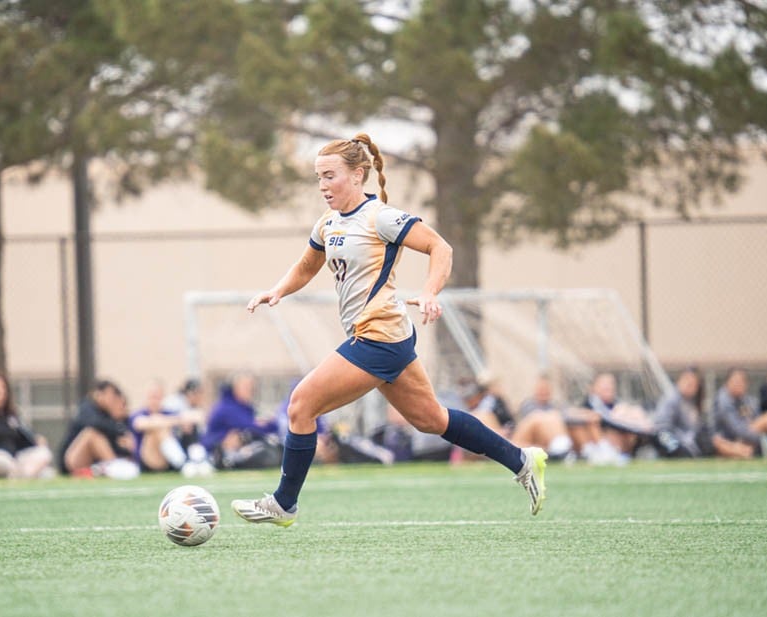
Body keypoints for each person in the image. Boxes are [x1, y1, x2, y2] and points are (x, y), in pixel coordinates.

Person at [231, 134, 547, 527]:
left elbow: (441, 249)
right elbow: (308, 266)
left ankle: (284, 504)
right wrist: (277, 290)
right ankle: (522, 460)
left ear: (357, 174)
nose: (323, 186)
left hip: (380, 335)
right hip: (383, 337)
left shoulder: (379, 216)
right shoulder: (328, 224)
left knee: (300, 404)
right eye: (318, 177)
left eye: (330, 176)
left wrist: (430, 292)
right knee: (432, 420)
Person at [713, 368, 767, 460]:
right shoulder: (723, 400)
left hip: (750, 437)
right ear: (727, 382)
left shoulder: (746, 400)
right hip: (733, 440)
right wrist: (763, 436)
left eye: (743, 381)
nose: (740, 384)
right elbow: (737, 430)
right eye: (736, 381)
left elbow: (755, 416)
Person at [58, 380, 139, 479]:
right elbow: (96, 423)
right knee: (91, 434)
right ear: (99, 394)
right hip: (70, 460)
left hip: (93, 462)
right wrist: (121, 431)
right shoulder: (87, 407)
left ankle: (100, 470)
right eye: (110, 396)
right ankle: (114, 467)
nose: (112, 400)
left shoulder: (111, 417)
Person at [128, 380, 211, 476]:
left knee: (186, 425)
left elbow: (197, 417)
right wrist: (173, 421)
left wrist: (178, 422)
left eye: (158, 397)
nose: (155, 400)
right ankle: (183, 464)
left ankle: (197, 460)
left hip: (166, 460)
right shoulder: (139, 414)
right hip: (148, 461)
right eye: (152, 397)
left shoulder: (168, 412)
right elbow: (140, 424)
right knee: (159, 429)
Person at [200, 373, 281, 469]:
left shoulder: (244, 407)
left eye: (252, 387)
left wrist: (267, 424)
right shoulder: (227, 407)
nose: (251, 390)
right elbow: (251, 428)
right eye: (246, 386)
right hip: (215, 451)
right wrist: (265, 425)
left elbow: (265, 426)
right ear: (235, 387)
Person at [652, 367, 712, 458]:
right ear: (680, 380)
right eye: (687, 381)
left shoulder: (691, 403)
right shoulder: (671, 399)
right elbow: (662, 426)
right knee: (674, 446)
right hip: (665, 435)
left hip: (685, 440)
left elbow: (694, 428)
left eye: (693, 384)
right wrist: (682, 441)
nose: (689, 385)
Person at [510, 375, 573, 461]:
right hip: (525, 438)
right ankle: (560, 449)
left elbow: (567, 416)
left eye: (546, 389)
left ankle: (563, 449)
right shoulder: (528, 405)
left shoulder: (555, 406)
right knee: (540, 417)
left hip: (544, 441)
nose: (543, 392)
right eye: (541, 389)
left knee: (554, 416)